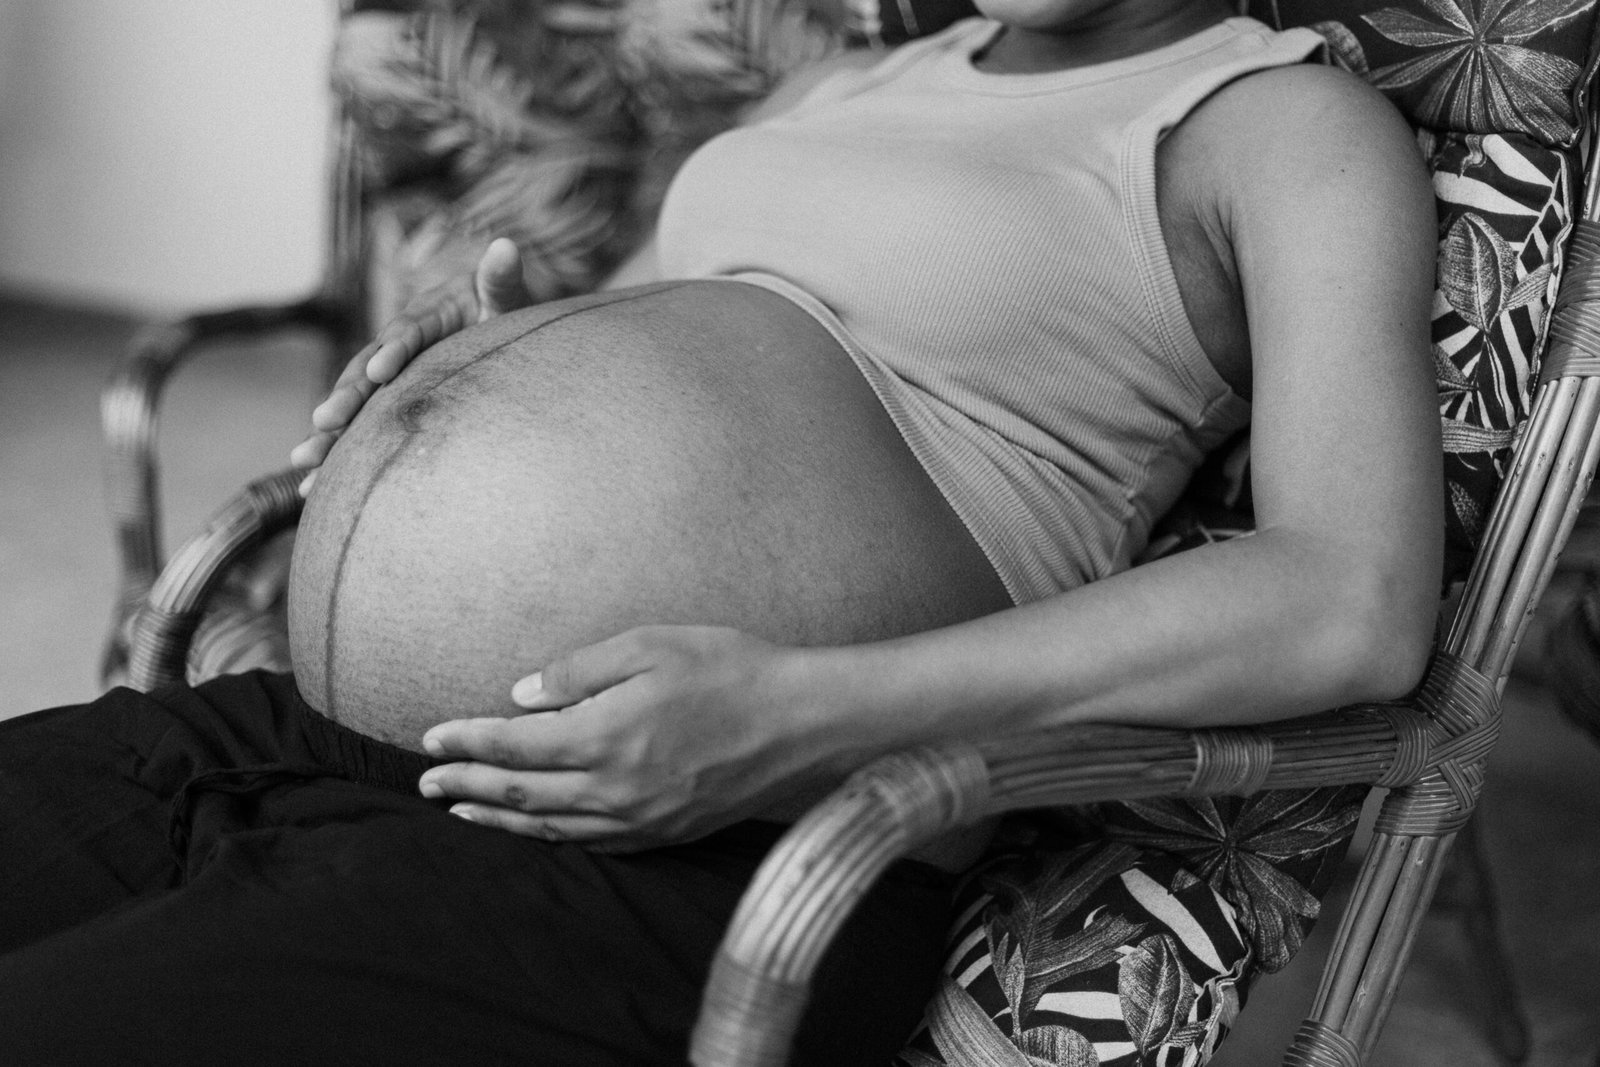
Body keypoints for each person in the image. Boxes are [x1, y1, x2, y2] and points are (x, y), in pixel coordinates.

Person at [0, 1, 1442, 1063]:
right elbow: (685, 338)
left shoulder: (1278, 129)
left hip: (688, 844)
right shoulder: (849, 84)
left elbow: (1350, 596)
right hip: (313, 732)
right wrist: (474, 364)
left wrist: (796, 712)